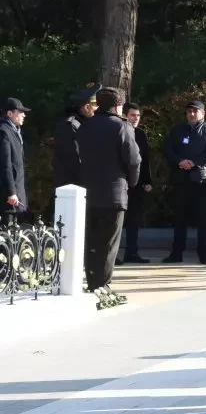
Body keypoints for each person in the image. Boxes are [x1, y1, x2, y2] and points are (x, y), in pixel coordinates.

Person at [76, 88, 141, 291]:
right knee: (109, 242)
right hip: (114, 192)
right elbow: (133, 160)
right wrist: (131, 182)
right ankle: (102, 285)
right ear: (117, 106)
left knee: (91, 239)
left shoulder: (85, 126)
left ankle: (92, 279)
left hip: (88, 190)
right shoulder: (122, 126)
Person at [162, 101, 206, 264]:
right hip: (181, 179)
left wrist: (194, 162)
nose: (192, 114)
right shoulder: (177, 130)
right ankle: (176, 254)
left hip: (202, 180)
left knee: (203, 219)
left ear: (203, 113)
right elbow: (168, 149)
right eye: (189, 111)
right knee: (179, 218)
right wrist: (180, 161)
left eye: (195, 111)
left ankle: (204, 255)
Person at [118, 103, 153, 264]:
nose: (136, 119)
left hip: (137, 182)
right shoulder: (119, 131)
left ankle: (132, 252)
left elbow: (145, 160)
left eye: (138, 116)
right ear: (125, 115)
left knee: (134, 220)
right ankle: (114, 255)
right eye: (132, 115)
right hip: (120, 181)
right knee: (117, 220)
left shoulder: (140, 134)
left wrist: (147, 180)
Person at [52, 88, 98, 189]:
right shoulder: (70, 125)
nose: (96, 111)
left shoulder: (81, 124)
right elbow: (74, 159)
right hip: (70, 186)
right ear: (87, 107)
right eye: (95, 107)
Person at [0, 97, 29, 225]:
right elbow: (5, 164)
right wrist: (11, 192)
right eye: (20, 111)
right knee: (8, 236)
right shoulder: (4, 131)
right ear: (10, 113)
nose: (24, 115)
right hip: (9, 196)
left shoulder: (14, 130)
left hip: (17, 191)